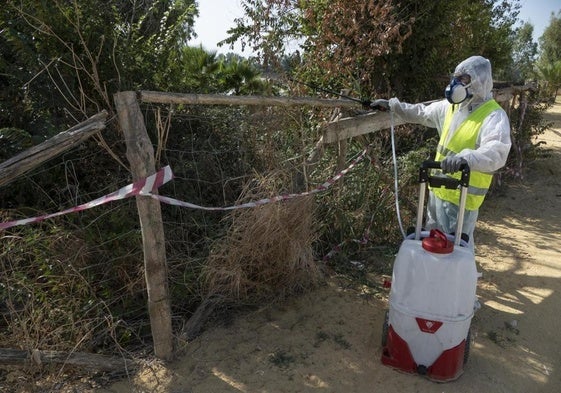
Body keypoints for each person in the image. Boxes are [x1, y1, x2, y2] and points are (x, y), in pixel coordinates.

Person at [371, 55, 511, 249]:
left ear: (480, 81)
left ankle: (459, 280)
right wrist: (393, 106)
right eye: (456, 78)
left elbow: (497, 151)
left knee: (456, 251)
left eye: (464, 79)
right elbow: (420, 112)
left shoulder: (493, 115)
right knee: (431, 245)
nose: (456, 84)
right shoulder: (450, 108)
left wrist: (465, 158)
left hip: (462, 200)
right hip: (437, 194)